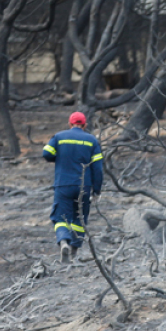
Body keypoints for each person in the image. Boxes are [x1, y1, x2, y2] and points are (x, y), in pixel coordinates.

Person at [43, 112, 103, 263]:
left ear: (70, 124)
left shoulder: (59, 137)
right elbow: (98, 169)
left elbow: (46, 153)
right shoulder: (92, 140)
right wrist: (96, 190)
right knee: (80, 218)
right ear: (85, 125)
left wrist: (59, 157)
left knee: (60, 217)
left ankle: (63, 242)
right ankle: (74, 251)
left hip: (63, 184)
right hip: (84, 186)